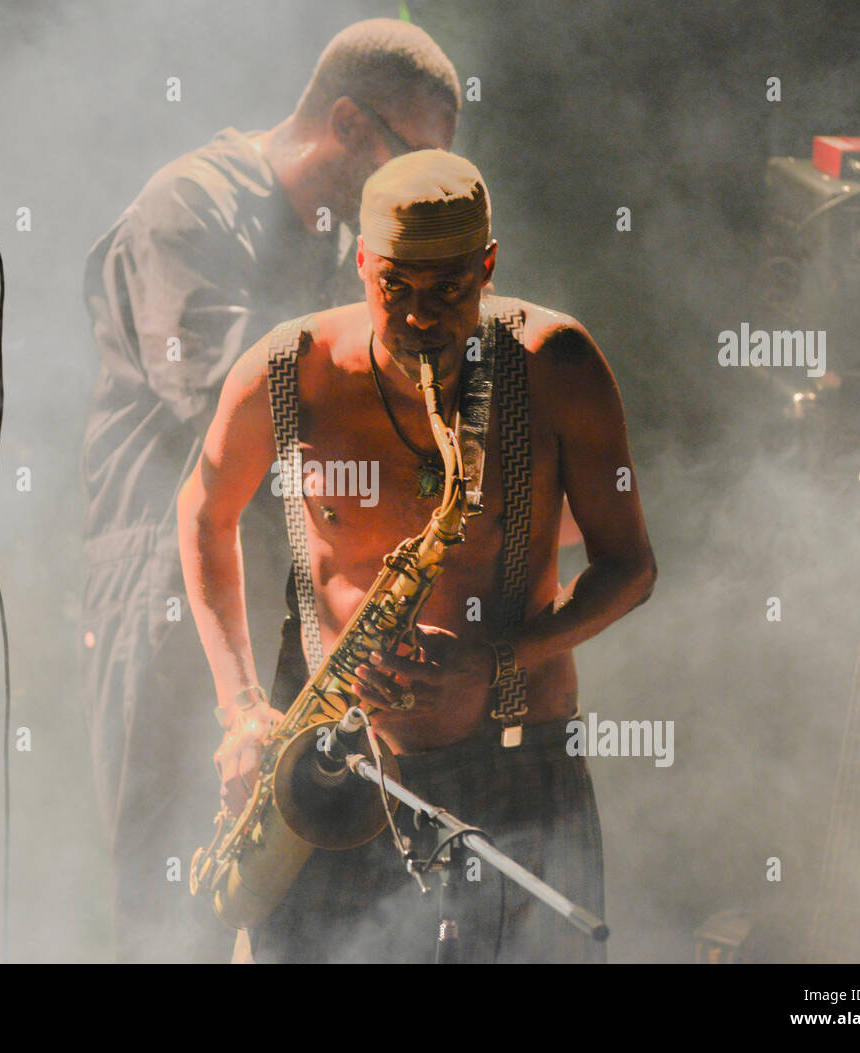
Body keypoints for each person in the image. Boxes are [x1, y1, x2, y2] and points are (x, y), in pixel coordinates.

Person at [177, 150, 657, 962]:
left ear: (489, 265)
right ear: (362, 261)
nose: (421, 318)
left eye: (448, 289)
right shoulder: (286, 371)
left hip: (515, 767)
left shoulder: (557, 367)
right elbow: (200, 515)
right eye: (395, 286)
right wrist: (241, 709)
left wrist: (494, 659)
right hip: (330, 769)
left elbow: (631, 567)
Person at [79, 19, 462, 963]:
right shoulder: (189, 208)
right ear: (346, 123)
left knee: (312, 911)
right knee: (172, 902)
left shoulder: (343, 243)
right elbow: (242, 405)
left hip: (291, 608)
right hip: (166, 590)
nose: (419, 196)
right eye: (411, 161)